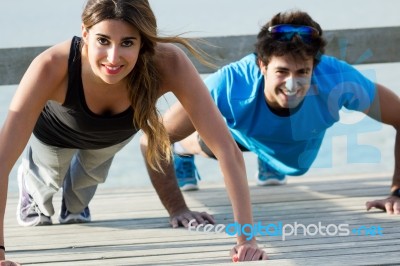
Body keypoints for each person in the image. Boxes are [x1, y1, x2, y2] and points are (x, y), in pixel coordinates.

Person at [0, 0, 268, 264]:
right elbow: (1, 162)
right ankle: (34, 191)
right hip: (56, 135)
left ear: (143, 42)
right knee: (45, 189)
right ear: (85, 33)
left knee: (79, 201)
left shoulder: (169, 62)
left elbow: (226, 150)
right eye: (103, 40)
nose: (113, 58)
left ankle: (75, 202)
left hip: (110, 137)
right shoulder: (51, 65)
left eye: (127, 42)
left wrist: (246, 240)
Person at [151, 10, 400, 215]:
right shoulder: (228, 84)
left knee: (295, 162)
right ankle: (185, 150)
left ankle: (268, 159)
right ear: (262, 64)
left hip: (293, 147)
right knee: (210, 141)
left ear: (315, 65)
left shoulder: (338, 79)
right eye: (282, 71)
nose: (292, 84)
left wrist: (397, 191)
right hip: (241, 132)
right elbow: (154, 139)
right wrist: (178, 209)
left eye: (302, 71)